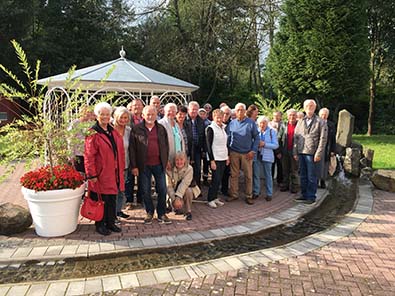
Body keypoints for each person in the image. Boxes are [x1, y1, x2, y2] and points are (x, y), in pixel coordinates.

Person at [84, 102, 125, 235]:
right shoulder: (93, 133)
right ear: (97, 115)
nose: (105, 117)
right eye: (102, 114)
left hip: (113, 173)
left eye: (107, 114)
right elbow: (89, 156)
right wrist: (91, 175)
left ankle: (111, 222)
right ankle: (100, 224)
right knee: (101, 200)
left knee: (111, 198)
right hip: (100, 174)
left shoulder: (113, 131)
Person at [129, 105, 171, 224]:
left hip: (159, 164)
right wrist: (134, 166)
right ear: (143, 115)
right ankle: (149, 212)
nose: (150, 116)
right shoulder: (136, 129)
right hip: (143, 166)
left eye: (153, 114)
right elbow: (132, 149)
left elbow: (165, 146)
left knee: (162, 189)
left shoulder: (161, 129)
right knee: (145, 190)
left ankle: (161, 213)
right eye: (148, 114)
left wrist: (166, 160)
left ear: (156, 115)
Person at [293, 99, 327, 204]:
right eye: (307, 106)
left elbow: (323, 139)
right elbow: (296, 137)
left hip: (312, 153)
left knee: (312, 176)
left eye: (311, 106)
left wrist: (319, 153)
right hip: (301, 151)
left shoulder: (320, 122)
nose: (309, 108)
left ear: (315, 108)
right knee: (303, 175)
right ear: (304, 108)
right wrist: (295, 152)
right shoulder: (300, 121)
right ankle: (304, 194)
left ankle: (311, 196)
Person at [226, 103, 259, 205]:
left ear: (245, 111)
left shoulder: (251, 123)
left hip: (247, 154)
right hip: (234, 152)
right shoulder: (231, 123)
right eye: (238, 110)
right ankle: (234, 194)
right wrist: (228, 152)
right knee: (234, 175)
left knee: (248, 176)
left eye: (242, 110)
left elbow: (256, 138)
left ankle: (248, 196)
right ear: (235, 112)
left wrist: (253, 150)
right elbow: (227, 138)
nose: (240, 112)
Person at [166, 151, 201, 220]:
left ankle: (188, 211)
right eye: (177, 160)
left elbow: (184, 184)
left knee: (188, 191)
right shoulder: (169, 170)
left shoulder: (189, 169)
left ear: (185, 160)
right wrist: (174, 199)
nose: (179, 162)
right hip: (173, 191)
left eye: (181, 160)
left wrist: (178, 198)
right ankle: (171, 206)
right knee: (163, 188)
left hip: (184, 190)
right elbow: (169, 186)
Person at [206, 109, 228, 208]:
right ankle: (210, 199)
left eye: (221, 117)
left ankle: (215, 197)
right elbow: (208, 146)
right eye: (217, 117)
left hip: (223, 157)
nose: (219, 119)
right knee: (215, 179)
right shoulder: (210, 128)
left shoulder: (223, 128)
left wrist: (227, 156)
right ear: (213, 117)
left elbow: (225, 144)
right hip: (215, 158)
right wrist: (212, 160)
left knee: (219, 179)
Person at [253, 116, 279, 201]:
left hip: (267, 156)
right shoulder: (256, 131)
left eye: (264, 123)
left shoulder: (272, 132)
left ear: (267, 123)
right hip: (256, 155)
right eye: (260, 123)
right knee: (256, 174)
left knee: (268, 175)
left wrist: (265, 144)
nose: (262, 124)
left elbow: (276, 145)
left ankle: (269, 193)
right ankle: (256, 192)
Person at [112, 107, 131, 219]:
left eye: (125, 118)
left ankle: (118, 210)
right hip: (113, 166)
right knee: (113, 190)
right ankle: (112, 213)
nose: (123, 120)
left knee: (121, 190)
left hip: (125, 165)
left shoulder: (129, 131)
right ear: (116, 117)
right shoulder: (111, 130)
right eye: (121, 117)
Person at [127, 98, 145, 207]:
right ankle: (129, 200)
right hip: (130, 151)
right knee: (129, 178)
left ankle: (140, 199)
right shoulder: (127, 119)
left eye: (139, 105)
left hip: (142, 153)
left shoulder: (146, 119)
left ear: (143, 107)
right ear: (131, 107)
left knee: (142, 178)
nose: (137, 107)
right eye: (135, 106)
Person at [68, 105, 95, 175]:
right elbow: (71, 140)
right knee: (80, 175)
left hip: (89, 155)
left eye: (89, 112)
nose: (88, 114)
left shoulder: (91, 124)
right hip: (78, 154)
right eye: (86, 112)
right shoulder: (75, 123)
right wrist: (71, 156)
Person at [278, 109, 299, 193]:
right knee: (285, 170)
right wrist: (278, 151)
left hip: (295, 151)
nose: (292, 117)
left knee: (294, 170)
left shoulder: (299, 125)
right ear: (287, 116)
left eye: (294, 115)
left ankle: (294, 187)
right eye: (290, 115)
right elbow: (278, 138)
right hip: (284, 150)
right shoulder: (283, 125)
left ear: (296, 116)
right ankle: (285, 185)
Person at [186, 101, 206, 187]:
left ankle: (197, 188)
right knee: (187, 170)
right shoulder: (185, 120)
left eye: (196, 109)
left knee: (197, 169)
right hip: (187, 149)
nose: (194, 111)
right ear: (188, 110)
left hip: (197, 149)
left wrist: (204, 149)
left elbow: (203, 136)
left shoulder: (200, 120)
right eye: (192, 109)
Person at [318, 107, 336, 188]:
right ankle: (316, 180)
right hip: (317, 147)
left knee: (325, 164)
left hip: (327, 147)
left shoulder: (331, 125)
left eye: (325, 115)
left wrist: (333, 150)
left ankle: (323, 180)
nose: (323, 116)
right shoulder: (316, 123)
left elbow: (333, 139)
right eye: (322, 115)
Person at [269, 111, 284, 185]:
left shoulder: (284, 125)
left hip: (280, 149)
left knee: (280, 166)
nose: (276, 117)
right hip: (270, 149)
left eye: (278, 116)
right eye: (274, 116)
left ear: (281, 117)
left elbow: (283, 139)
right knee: (270, 166)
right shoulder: (269, 124)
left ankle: (280, 181)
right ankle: (270, 180)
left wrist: (279, 151)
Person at [220, 105, 232, 196]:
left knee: (226, 172)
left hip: (229, 152)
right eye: (223, 113)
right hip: (218, 152)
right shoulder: (215, 124)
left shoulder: (233, 124)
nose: (225, 115)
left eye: (227, 114)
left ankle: (224, 189)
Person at [199, 108, 211, 186]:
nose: (202, 115)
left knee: (206, 163)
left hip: (206, 145)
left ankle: (205, 178)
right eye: (201, 113)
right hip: (198, 146)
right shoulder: (196, 122)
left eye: (204, 114)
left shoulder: (209, 123)